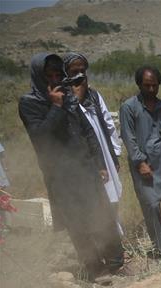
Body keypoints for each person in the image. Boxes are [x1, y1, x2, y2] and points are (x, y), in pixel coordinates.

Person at [18, 52, 126, 281]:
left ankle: (116, 262)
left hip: (86, 167)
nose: (55, 79)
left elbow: (87, 130)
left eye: (59, 74)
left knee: (102, 213)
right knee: (77, 223)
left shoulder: (68, 96)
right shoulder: (29, 103)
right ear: (39, 76)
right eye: (50, 75)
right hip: (61, 175)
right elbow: (41, 138)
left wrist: (99, 163)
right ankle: (95, 268)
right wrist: (56, 107)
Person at [120, 65, 161, 254]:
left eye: (154, 85)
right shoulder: (129, 108)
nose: (151, 89)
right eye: (147, 85)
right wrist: (140, 162)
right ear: (139, 84)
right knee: (152, 205)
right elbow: (129, 138)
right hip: (143, 164)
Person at [63, 52, 124, 234]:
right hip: (83, 157)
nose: (80, 75)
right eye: (75, 71)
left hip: (104, 152)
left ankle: (115, 233)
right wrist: (76, 95)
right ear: (66, 73)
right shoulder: (64, 98)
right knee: (95, 198)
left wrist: (114, 153)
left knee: (112, 193)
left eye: (83, 70)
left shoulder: (94, 96)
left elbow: (108, 124)